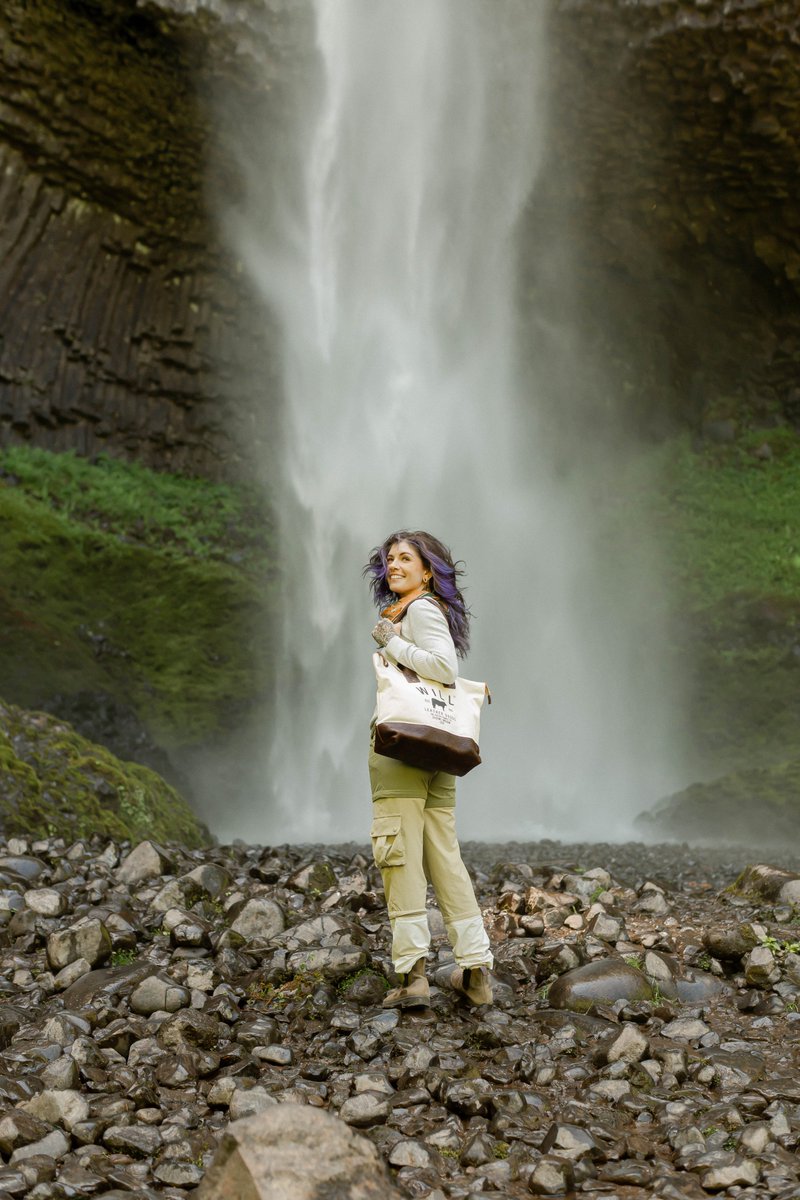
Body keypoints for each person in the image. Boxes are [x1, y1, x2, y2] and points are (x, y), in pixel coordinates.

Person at [363, 530, 493, 1009]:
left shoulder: (417, 610)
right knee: (445, 858)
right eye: (389, 559)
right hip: (438, 750)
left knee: (398, 854)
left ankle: (413, 977)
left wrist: (390, 643)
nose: (393, 566)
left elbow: (441, 668)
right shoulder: (418, 611)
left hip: (403, 753)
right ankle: (476, 975)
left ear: (427, 570)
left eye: (404, 559)